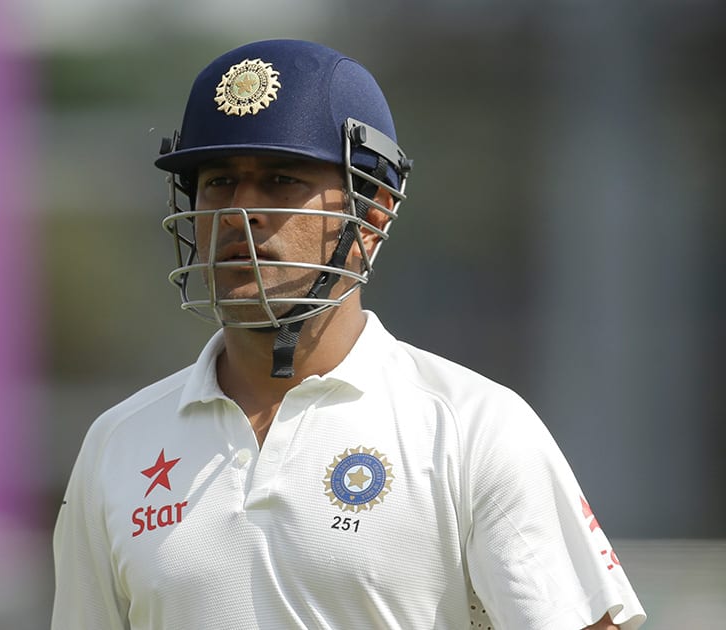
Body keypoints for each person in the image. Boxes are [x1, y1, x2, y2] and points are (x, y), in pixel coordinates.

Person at [51, 39, 646, 630]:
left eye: (281, 180)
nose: (238, 212)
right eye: (218, 182)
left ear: (372, 215)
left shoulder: (472, 429)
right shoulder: (118, 444)